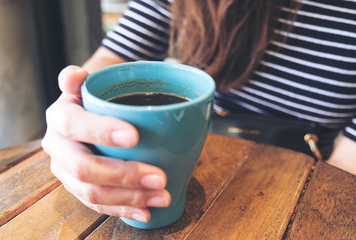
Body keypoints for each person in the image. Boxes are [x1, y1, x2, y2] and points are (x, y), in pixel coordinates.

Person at [42, 0, 356, 222]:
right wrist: (74, 110)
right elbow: (114, 60)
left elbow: (345, 166)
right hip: (206, 152)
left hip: (316, 171)